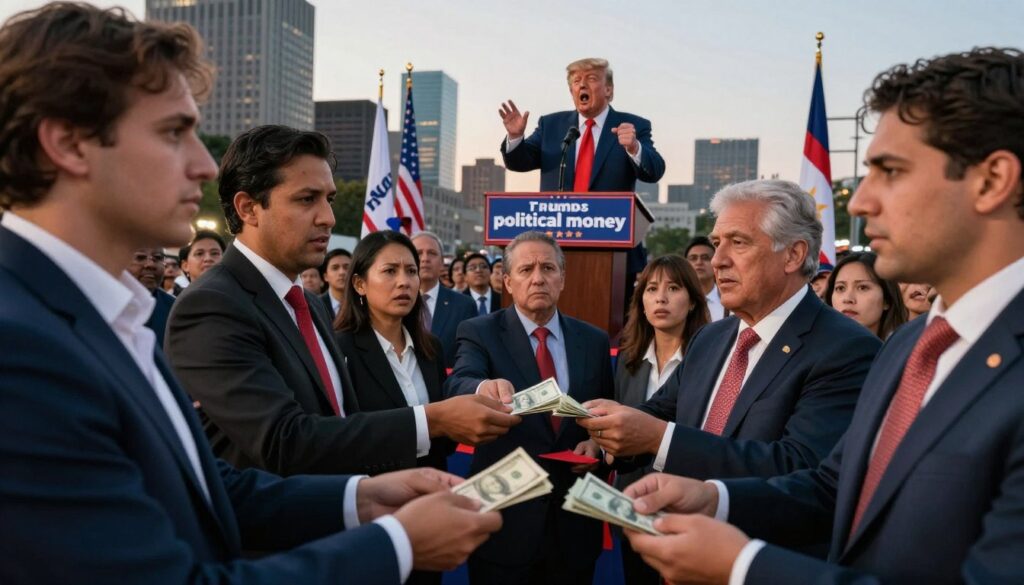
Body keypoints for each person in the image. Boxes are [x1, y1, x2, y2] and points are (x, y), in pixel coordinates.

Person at [0, 4, 501, 583]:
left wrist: (360, 498)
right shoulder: (20, 347)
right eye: (171, 133)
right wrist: (397, 546)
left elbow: (203, 487)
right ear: (67, 142)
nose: (204, 164)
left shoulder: (106, 317)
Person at [620, 47, 1024, 585]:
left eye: (891, 171)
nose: (858, 202)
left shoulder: (860, 347)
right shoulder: (910, 347)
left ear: (992, 180)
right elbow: (836, 488)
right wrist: (712, 497)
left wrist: (745, 566)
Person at [166, 125, 518, 478]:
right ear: (248, 208)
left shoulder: (309, 305)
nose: (328, 218)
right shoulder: (212, 305)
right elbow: (284, 442)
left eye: (329, 200)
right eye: (307, 199)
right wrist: (433, 419)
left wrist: (380, 494)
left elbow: (342, 425)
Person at [578, 179, 879, 507]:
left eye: (738, 242)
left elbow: (802, 469)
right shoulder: (710, 337)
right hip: (672, 542)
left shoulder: (846, 349)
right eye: (717, 242)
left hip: (755, 551)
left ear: (793, 255)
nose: (717, 260)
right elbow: (662, 410)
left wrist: (658, 438)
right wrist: (609, 430)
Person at [446, 230, 614, 585]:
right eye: (525, 270)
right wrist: (481, 388)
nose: (538, 278)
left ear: (563, 278)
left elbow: (606, 410)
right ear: (507, 281)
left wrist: (598, 441)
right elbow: (459, 380)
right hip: (506, 520)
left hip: (574, 523)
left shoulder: (594, 340)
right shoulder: (479, 331)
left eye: (548, 268)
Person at [335, 231, 458, 585]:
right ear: (359, 283)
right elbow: (342, 438)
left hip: (429, 513)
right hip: (373, 517)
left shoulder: (431, 349)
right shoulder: (338, 349)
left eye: (411, 271)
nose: (404, 282)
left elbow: (443, 437)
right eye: (389, 271)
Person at [612, 254, 711, 584]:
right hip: (632, 505)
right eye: (651, 289)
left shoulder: (712, 363)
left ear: (693, 301)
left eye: (673, 288)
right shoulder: (626, 362)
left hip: (689, 505)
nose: (661, 298)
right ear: (641, 302)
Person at [499, 58, 665, 192]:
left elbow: (654, 172)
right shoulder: (550, 125)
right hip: (556, 228)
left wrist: (635, 148)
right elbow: (519, 163)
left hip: (608, 228)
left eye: (591, 79)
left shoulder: (633, 126)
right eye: (576, 81)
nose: (582, 85)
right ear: (572, 91)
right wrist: (515, 137)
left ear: (608, 89)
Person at [411, 231, 476, 368]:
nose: (425, 259)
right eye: (418, 253)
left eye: (432, 253)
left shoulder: (464, 305)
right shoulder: (395, 302)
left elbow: (469, 356)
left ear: (442, 262)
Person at [826, 251, 907, 338]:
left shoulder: (907, 348)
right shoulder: (813, 347)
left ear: (886, 300)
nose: (848, 299)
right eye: (840, 288)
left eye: (863, 288)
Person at [127, 247, 176, 347]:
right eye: (140, 257)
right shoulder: (100, 306)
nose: (150, 264)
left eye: (158, 258)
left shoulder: (175, 309)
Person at [684, 236, 727, 321]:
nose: (699, 262)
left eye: (705, 258)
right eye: (693, 258)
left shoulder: (728, 299)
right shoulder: (680, 301)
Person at [319, 247, 351, 318]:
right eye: (335, 268)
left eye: (347, 267)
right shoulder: (315, 305)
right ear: (325, 276)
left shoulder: (364, 304)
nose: (342, 272)